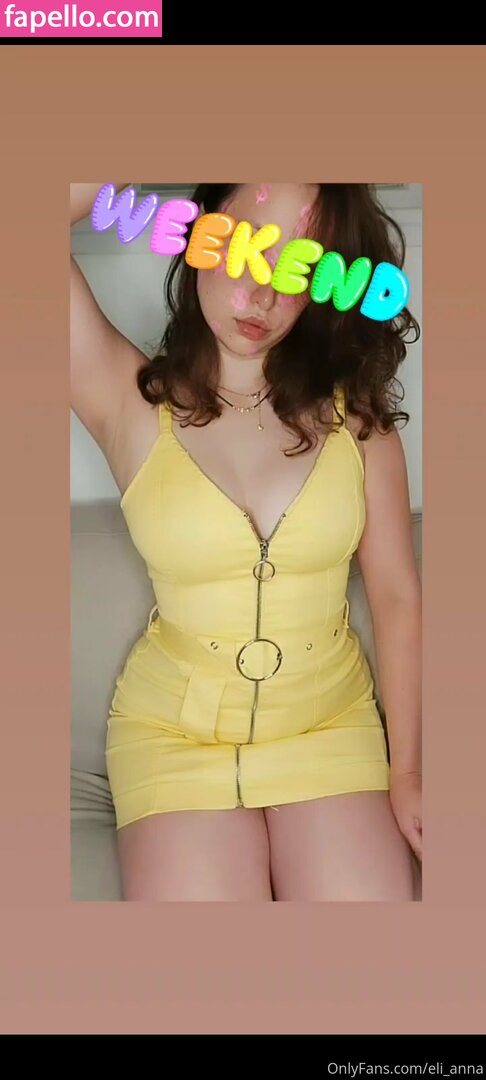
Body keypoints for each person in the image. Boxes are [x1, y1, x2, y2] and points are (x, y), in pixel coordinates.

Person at [70, 182, 422, 902]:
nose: (262, 294)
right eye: (243, 248)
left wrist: (410, 768)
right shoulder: (125, 398)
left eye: (296, 266)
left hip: (330, 728)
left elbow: (395, 595)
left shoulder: (360, 426)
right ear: (197, 232)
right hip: (174, 737)